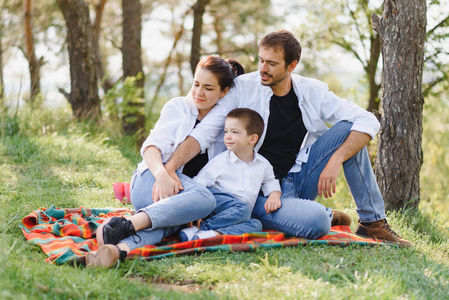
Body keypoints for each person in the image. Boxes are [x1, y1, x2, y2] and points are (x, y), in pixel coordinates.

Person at [162, 30, 411, 246]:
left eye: (272, 63)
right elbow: (205, 132)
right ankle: (311, 214)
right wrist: (169, 169)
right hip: (257, 192)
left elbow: (368, 120)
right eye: (260, 60)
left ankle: (372, 222)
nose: (263, 69)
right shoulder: (243, 87)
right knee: (315, 222)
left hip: (297, 179)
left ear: (291, 66)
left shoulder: (311, 92)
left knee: (351, 129)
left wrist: (336, 159)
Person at [86, 56, 244, 268]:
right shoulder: (177, 107)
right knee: (206, 201)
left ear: (223, 92)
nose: (199, 92)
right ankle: (129, 224)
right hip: (150, 181)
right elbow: (151, 147)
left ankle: (117, 250)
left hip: (182, 195)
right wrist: (162, 176)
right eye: (196, 84)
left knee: (177, 221)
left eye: (208, 88)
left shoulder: (224, 124)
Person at [180, 108, 282, 241]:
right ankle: (203, 227)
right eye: (226, 131)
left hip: (234, 215)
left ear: (252, 139)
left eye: (234, 132)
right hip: (217, 203)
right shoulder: (221, 161)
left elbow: (271, 182)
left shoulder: (263, 164)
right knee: (244, 209)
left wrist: (274, 195)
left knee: (256, 225)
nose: (227, 136)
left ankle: (211, 235)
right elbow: (200, 183)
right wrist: (198, 208)